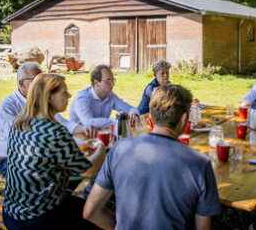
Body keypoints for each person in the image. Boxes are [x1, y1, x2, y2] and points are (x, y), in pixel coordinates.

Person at [83, 84, 222, 230]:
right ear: (184, 119)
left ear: (150, 119)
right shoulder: (200, 164)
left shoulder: (118, 149)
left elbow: (90, 212)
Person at [2, 73, 105, 230]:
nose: (69, 95)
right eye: (64, 92)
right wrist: (101, 147)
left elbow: (47, 154)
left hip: (11, 214)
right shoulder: (55, 131)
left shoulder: (20, 122)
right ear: (49, 97)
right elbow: (88, 171)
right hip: (37, 220)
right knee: (96, 214)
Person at [0, 62, 42, 177]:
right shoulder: (8, 106)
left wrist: (77, 129)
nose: (42, 85)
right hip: (11, 159)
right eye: (36, 81)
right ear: (22, 84)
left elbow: (59, 121)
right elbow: (18, 136)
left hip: (38, 154)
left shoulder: (41, 100)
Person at [69, 65, 139, 129]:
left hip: (99, 136)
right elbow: (88, 122)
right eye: (108, 81)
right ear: (96, 83)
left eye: (113, 80)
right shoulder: (82, 98)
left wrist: (134, 114)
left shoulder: (110, 96)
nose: (112, 84)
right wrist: (118, 122)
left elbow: (130, 109)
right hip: (78, 138)